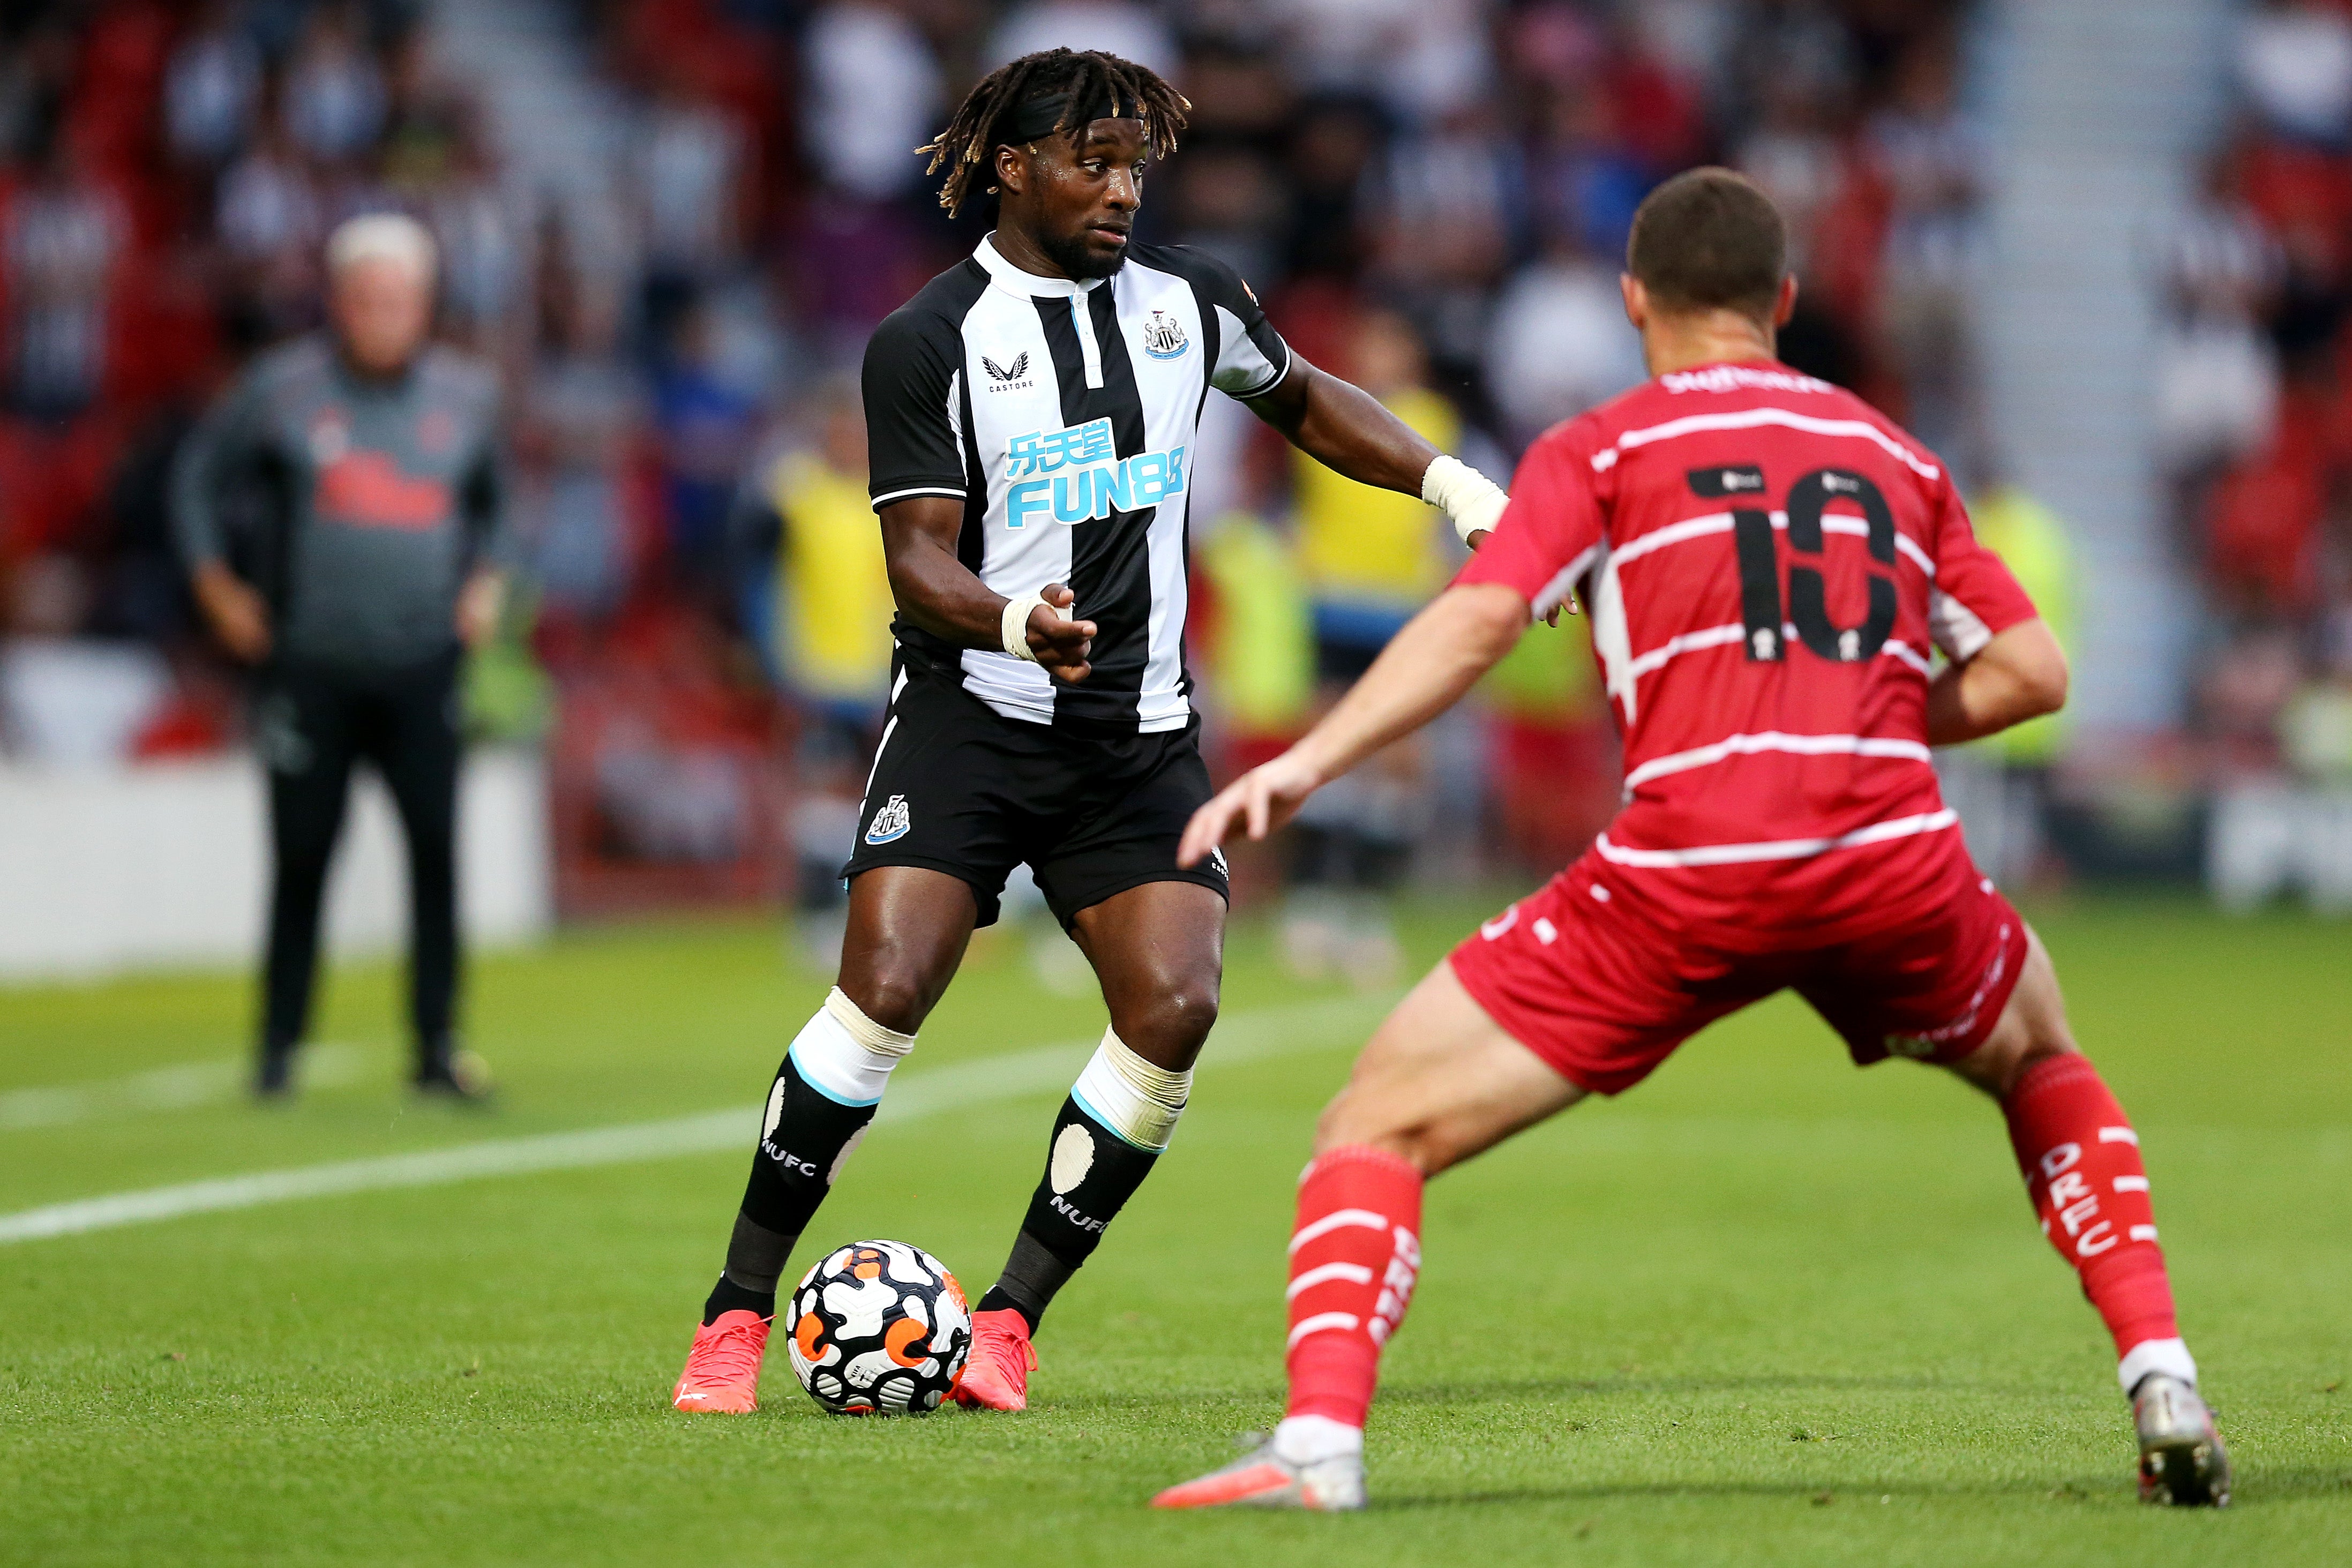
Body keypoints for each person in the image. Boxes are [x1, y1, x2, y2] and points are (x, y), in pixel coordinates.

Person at [1152, 169, 2229, 1511]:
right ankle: (2160, 1374)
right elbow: (2030, 675)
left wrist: (1311, 759)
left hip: (1687, 868)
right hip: (1888, 857)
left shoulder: (1600, 448)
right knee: (2040, 1061)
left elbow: (1482, 618)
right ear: (1779, 303)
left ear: (1631, 302)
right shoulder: (1895, 456)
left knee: (1375, 1120)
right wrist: (1861, 720)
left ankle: (1316, 1449)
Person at [669, 48, 1515, 1416]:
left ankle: (1006, 1320)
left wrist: (1454, 486)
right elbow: (918, 564)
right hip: (972, 720)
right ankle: (732, 1317)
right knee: (884, 991)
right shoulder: (927, 340)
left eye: (1135, 167)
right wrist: (1010, 625)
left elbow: (1302, 399)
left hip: (1136, 740)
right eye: (1091, 162)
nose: (1121, 189)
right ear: (1011, 166)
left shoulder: (1188, 302)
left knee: (1175, 1007)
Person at [173, 212, 509, 1101]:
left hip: (422, 665)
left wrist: (489, 580)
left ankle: (436, 1045)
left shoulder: (467, 398)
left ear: (426, 305)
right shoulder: (281, 392)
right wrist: (217, 587)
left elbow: (501, 507)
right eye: (366, 299)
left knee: (435, 856)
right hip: (309, 664)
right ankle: (277, 1047)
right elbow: (196, 480)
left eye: (399, 300)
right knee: (301, 856)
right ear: (337, 301)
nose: (382, 315)